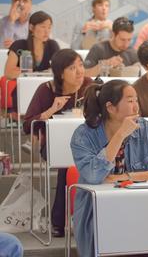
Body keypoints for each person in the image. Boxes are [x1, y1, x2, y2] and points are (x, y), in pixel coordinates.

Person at [71, 80, 148, 257]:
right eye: (130, 101)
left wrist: (125, 177)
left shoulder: (146, 129)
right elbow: (94, 175)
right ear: (110, 107)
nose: (136, 107)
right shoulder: (83, 134)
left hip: (140, 206)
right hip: (99, 210)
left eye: (136, 100)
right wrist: (120, 135)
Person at [23, 49, 92, 237]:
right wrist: (51, 110)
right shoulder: (46, 90)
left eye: (80, 65)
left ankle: (85, 218)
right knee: (67, 161)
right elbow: (28, 125)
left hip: (86, 145)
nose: (79, 71)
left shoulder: (89, 86)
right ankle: (60, 222)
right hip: (54, 146)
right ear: (60, 73)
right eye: (72, 68)